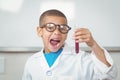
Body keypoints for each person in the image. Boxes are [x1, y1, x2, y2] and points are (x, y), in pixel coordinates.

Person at [22, 9, 117, 80]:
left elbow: (109, 75)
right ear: (39, 31)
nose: (57, 32)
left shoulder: (82, 59)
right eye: (50, 27)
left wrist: (93, 44)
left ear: (67, 33)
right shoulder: (31, 62)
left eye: (63, 28)